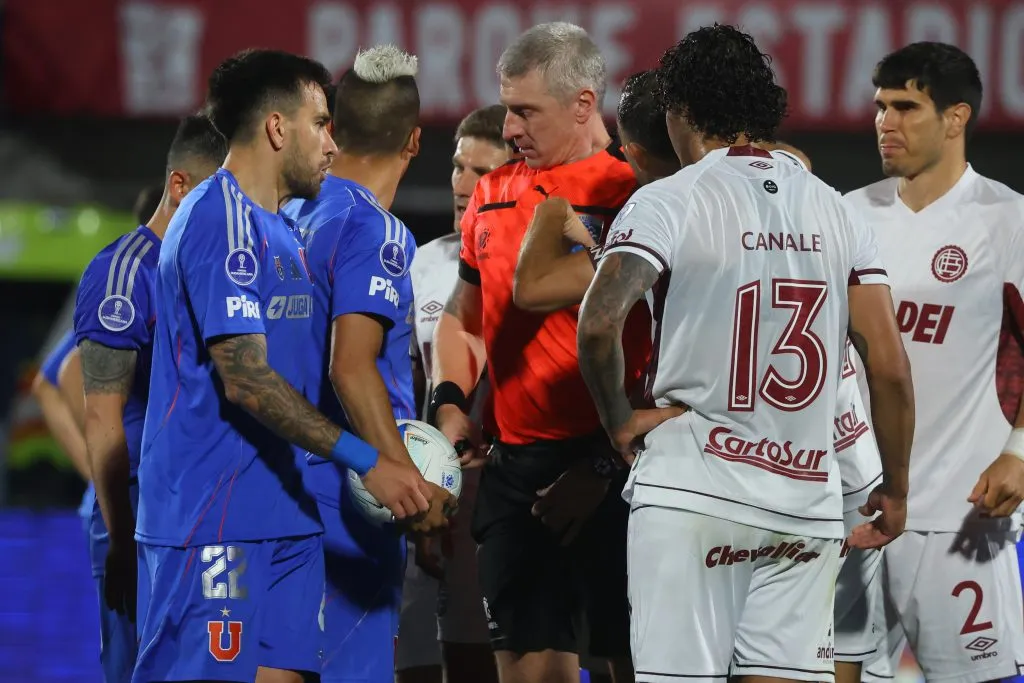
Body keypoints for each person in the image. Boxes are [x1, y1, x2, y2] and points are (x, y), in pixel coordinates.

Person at [576, 24, 916, 683]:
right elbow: (889, 366)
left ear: (679, 111)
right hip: (805, 504)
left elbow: (598, 325)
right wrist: (895, 488)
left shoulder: (668, 199)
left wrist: (618, 420)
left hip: (693, 494)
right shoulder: (836, 208)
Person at [132, 49, 430, 683]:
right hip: (213, 516)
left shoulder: (282, 230)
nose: (333, 143)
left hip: (287, 514)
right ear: (276, 128)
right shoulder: (220, 219)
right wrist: (369, 460)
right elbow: (246, 380)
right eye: (320, 124)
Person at [431, 22, 650, 683]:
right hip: (516, 474)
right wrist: (449, 402)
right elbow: (463, 318)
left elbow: (675, 348)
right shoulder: (492, 194)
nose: (510, 128)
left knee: (635, 666)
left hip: (620, 467)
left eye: (526, 111)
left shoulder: (637, 195)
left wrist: (602, 465)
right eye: (507, 109)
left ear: (583, 104)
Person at [847, 42, 1024, 683]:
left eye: (905, 107)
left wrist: (1020, 452)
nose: (885, 122)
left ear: (956, 118)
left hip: (959, 512)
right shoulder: (847, 214)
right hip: (853, 508)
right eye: (880, 107)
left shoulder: (1008, 220)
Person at [282, 44, 455, 683]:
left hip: (276, 488)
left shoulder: (283, 212)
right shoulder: (375, 230)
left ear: (333, 127)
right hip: (345, 501)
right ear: (414, 141)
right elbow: (351, 367)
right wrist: (404, 481)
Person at [71, 113, 226, 683]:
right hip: (137, 518)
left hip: (210, 518)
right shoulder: (125, 272)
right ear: (179, 185)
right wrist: (119, 539)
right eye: (216, 198)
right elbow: (100, 415)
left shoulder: (218, 271)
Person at [399, 104, 510, 683]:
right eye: (458, 167)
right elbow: (412, 387)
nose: (464, 184)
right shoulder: (424, 264)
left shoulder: (541, 267)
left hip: (515, 495)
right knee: (428, 658)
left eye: (482, 171)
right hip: (441, 497)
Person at [513, 69, 679, 313]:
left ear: (637, 155)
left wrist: (552, 211)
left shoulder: (655, 218)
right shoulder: (734, 188)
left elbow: (532, 288)